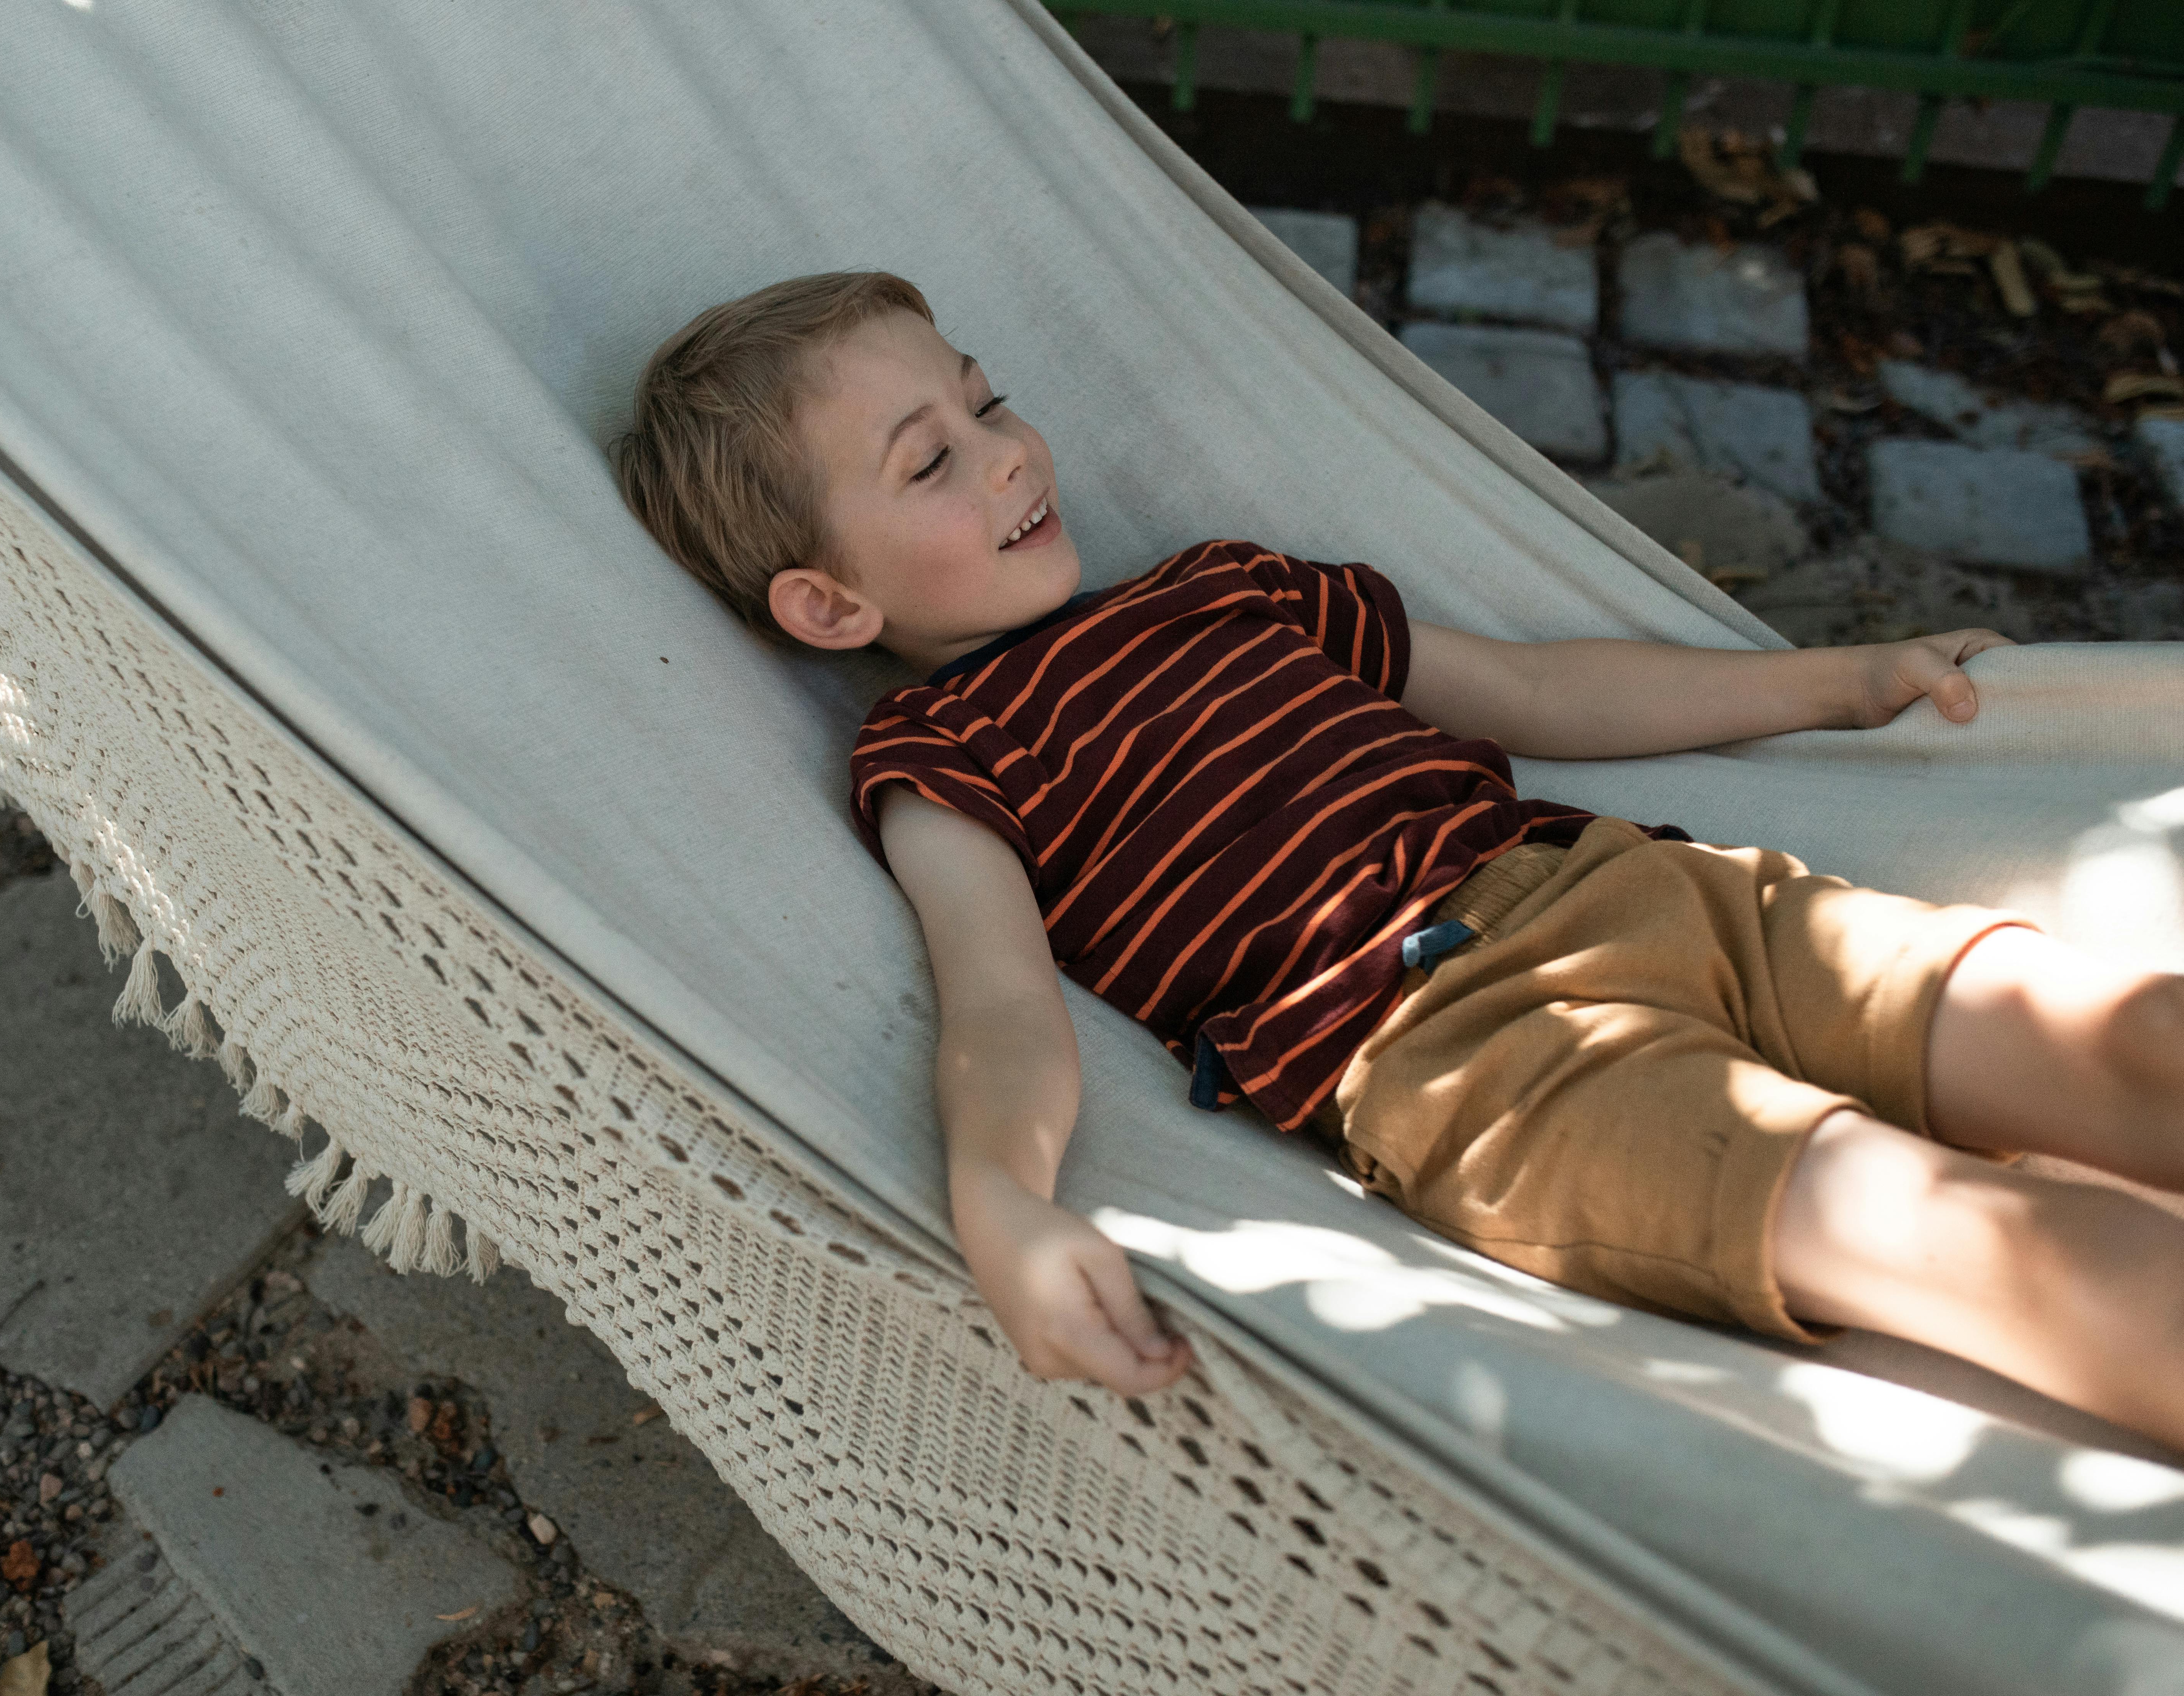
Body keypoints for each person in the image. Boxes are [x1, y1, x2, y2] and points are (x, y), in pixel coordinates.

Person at [612, 270, 2184, 1452]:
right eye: (929, 462)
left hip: (1647, 888)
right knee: (1970, 1240)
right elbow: (1003, 1007)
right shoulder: (945, 765)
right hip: (1472, 1065)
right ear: (827, 607)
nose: (1009, 457)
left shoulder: (1230, 587)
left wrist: (1838, 684)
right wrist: (1001, 1201)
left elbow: (1539, 688)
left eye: (989, 402)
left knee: (2119, 1035)